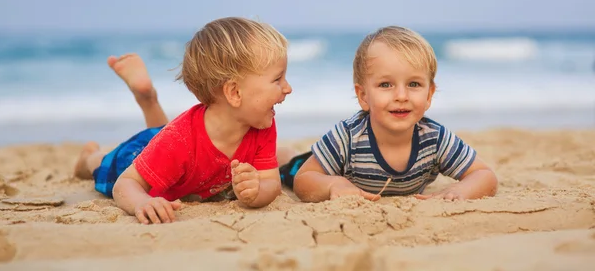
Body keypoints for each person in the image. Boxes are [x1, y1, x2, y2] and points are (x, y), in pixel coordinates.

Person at [73, 17, 293, 224]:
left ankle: (148, 98)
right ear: (234, 92)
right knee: (107, 165)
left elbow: (270, 182)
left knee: (162, 139)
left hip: (168, 145)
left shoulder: (261, 125)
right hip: (138, 152)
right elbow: (125, 183)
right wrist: (142, 201)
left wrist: (256, 193)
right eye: (277, 79)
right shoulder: (179, 140)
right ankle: (89, 156)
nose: (288, 88)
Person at [292, 26, 498, 202]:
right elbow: (303, 179)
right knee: (290, 166)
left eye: (414, 84)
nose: (401, 95)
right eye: (386, 84)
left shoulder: (434, 138)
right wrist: (333, 185)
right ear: (363, 96)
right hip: (313, 166)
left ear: (429, 94)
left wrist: (460, 190)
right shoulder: (347, 137)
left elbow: (484, 175)